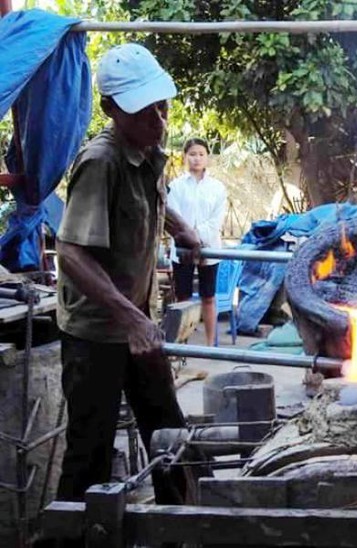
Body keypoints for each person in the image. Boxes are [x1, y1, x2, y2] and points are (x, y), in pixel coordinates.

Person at [55, 43, 202, 514]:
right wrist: (130, 319)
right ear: (112, 110)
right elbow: (71, 251)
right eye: (145, 112)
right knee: (89, 457)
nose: (159, 120)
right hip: (97, 334)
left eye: (162, 107)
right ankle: (71, 538)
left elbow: (148, 203)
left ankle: (181, 530)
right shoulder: (102, 162)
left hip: (137, 323)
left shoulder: (147, 151)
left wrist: (180, 227)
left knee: (169, 433)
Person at [166, 138, 227, 346]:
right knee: (182, 297)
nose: (197, 158)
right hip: (182, 249)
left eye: (201, 154)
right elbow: (173, 218)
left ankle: (211, 345)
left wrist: (198, 237)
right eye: (192, 154)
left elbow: (216, 221)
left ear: (207, 157)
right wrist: (188, 238)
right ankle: (182, 346)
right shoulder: (175, 187)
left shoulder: (217, 188)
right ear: (185, 157)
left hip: (209, 248)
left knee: (208, 297)